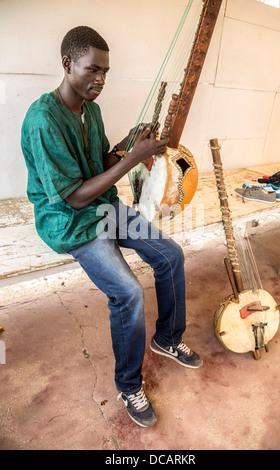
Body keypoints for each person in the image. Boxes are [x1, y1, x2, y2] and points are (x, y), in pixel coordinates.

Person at [21, 26, 202, 428]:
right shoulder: (42, 120)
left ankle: (167, 338)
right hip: (72, 223)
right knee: (128, 292)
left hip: (102, 206)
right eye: (92, 70)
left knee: (170, 255)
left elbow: (97, 167)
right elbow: (74, 197)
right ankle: (128, 385)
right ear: (68, 64)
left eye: (106, 72)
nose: (100, 80)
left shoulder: (92, 109)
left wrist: (124, 145)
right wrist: (132, 159)